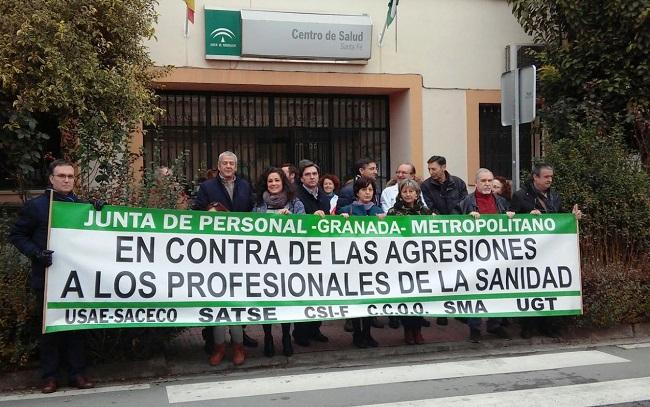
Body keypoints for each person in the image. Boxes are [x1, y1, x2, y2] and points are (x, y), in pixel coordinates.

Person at [9, 159, 97, 393]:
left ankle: (77, 373)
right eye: (62, 176)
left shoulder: (80, 206)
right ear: (51, 178)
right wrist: (36, 253)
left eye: (70, 176)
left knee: (76, 327)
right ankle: (49, 377)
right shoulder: (37, 207)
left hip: (75, 280)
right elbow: (17, 235)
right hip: (47, 277)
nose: (67, 180)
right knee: (49, 330)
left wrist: (99, 212)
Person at [192, 151, 256, 365]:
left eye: (232, 163)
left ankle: (238, 345)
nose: (228, 166)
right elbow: (196, 213)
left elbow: (253, 213)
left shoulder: (246, 186)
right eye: (225, 163)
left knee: (236, 300)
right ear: (218, 166)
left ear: (236, 167)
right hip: (215, 251)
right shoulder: (207, 187)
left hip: (240, 251)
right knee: (218, 299)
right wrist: (208, 211)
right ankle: (219, 346)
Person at [510, 163, 582, 339]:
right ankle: (528, 326)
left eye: (551, 177)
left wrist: (572, 217)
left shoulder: (554, 196)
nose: (550, 179)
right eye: (546, 177)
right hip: (528, 252)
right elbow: (510, 219)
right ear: (535, 177)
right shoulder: (520, 196)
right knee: (529, 287)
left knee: (549, 287)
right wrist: (526, 217)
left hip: (550, 251)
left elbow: (558, 218)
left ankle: (549, 325)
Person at [455, 168, 514, 343]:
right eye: (484, 181)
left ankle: (494, 324)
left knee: (496, 288)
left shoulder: (502, 202)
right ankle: (475, 327)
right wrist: (466, 218)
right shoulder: (466, 202)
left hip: (497, 253)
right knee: (475, 290)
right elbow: (453, 222)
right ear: (476, 183)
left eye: (490, 181)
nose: (487, 184)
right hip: (474, 255)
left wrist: (509, 217)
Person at [253, 168, 305, 357]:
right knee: (266, 301)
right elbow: (252, 229)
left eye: (276, 180)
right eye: (270, 181)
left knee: (285, 301)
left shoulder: (295, 204)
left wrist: (291, 221)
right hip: (265, 261)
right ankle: (267, 336)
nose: (273, 184)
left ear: (283, 182)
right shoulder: (259, 205)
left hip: (288, 261)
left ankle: (285, 336)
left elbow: (305, 229)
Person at [337, 176, 385, 348]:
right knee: (356, 300)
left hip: (372, 264)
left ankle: (367, 333)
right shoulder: (346, 210)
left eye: (370, 190)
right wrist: (339, 219)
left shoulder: (378, 210)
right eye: (364, 189)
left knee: (369, 299)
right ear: (357, 192)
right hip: (352, 263)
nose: (367, 193)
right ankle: (357, 333)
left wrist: (384, 222)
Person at [421, 155, 468, 327]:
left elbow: (464, 203)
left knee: (458, 273)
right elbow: (428, 206)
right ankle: (441, 311)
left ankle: (459, 309)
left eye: (434, 168)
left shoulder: (458, 183)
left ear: (443, 167)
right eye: (429, 169)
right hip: (438, 234)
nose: (431, 172)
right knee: (440, 274)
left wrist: (454, 222)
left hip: (457, 233)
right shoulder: (425, 186)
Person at [387, 179, 432, 344]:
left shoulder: (425, 212)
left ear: (417, 194)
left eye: (411, 191)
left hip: (421, 261)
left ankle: (418, 330)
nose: (408, 194)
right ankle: (407, 330)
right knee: (406, 297)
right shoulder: (393, 212)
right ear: (400, 194)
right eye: (404, 191)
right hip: (401, 262)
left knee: (419, 296)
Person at [292, 160, 331, 347]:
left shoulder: (324, 195)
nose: (312, 177)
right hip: (302, 249)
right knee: (303, 291)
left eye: (314, 174)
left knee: (319, 291)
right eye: (307, 174)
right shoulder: (296, 195)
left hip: (320, 249)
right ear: (301, 178)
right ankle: (300, 332)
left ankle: (315, 328)